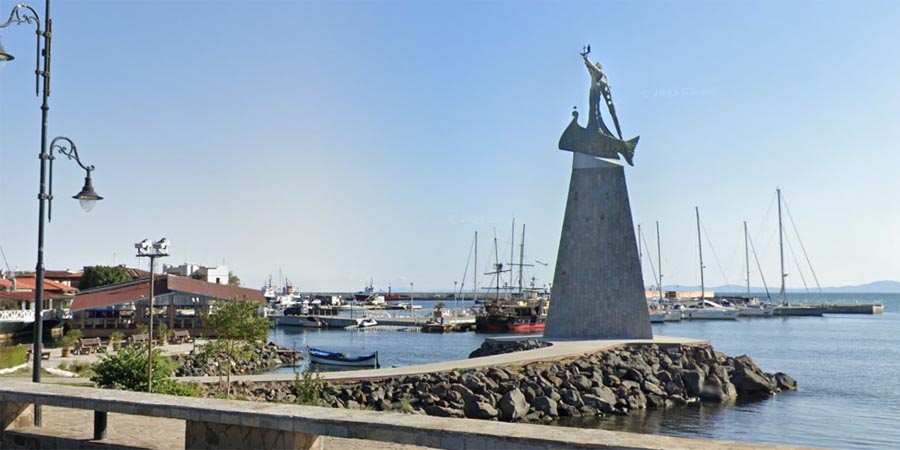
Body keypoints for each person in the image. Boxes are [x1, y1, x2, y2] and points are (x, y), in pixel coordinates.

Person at [581, 49, 622, 139]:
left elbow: (593, 68)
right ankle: (593, 127)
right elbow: (589, 68)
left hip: (596, 93)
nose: (595, 68)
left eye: (597, 66)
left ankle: (598, 127)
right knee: (591, 109)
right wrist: (585, 60)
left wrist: (587, 60)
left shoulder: (600, 73)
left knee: (595, 109)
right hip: (592, 92)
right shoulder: (593, 74)